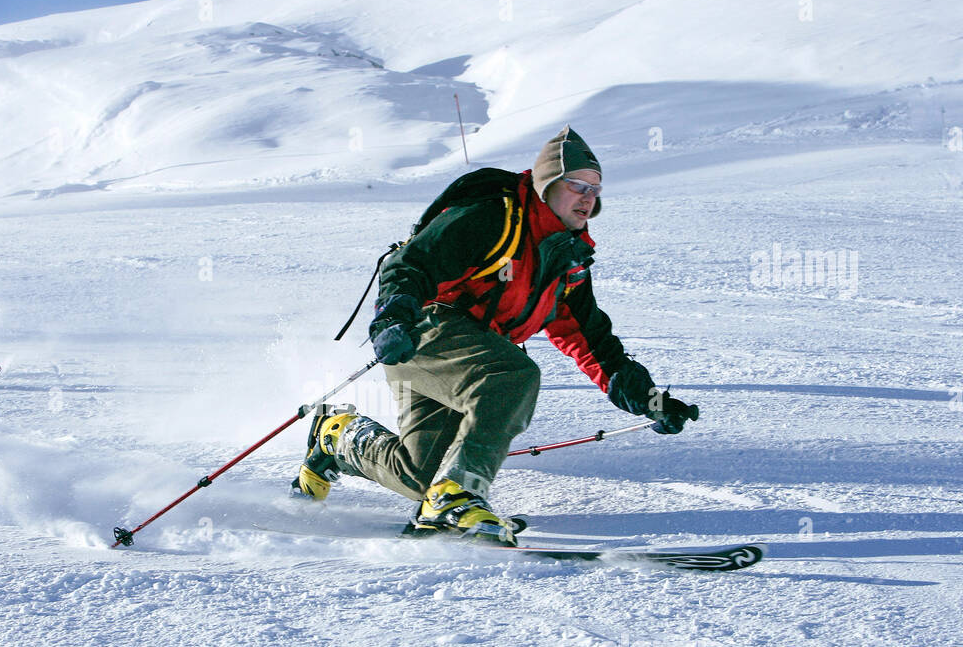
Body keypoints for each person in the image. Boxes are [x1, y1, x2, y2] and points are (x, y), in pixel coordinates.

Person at [292, 126, 698, 545]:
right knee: (512, 375)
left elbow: (591, 339)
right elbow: (413, 264)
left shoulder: (567, 257)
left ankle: (338, 436)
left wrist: (651, 401)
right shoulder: (494, 216)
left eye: (595, 188)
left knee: (421, 477)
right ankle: (458, 496)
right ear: (547, 184)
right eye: (577, 184)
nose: (588, 196)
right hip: (425, 332)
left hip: (470, 356)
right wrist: (392, 317)